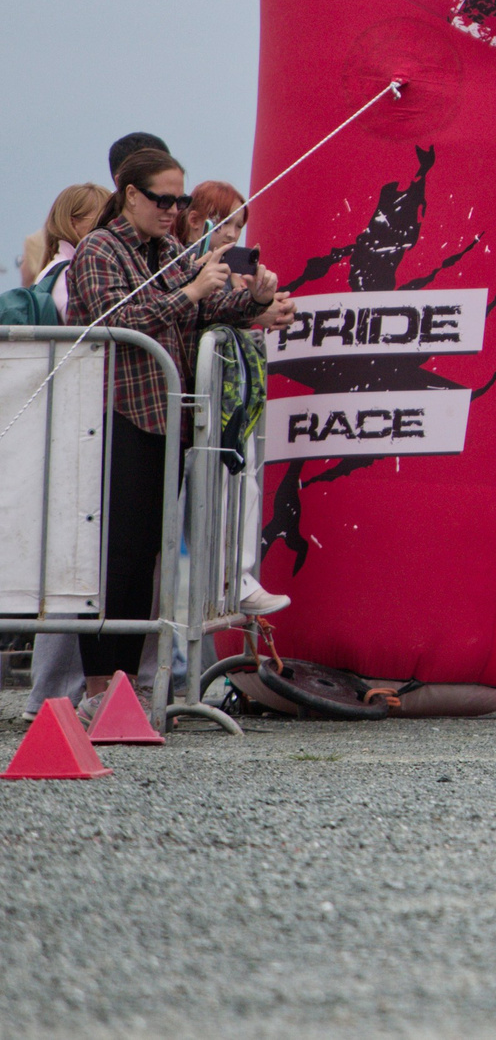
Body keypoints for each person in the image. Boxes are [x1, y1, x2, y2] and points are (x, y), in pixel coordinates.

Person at [65, 147, 290, 716]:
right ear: (131, 194)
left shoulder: (167, 250)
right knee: (114, 559)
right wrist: (192, 292)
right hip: (111, 417)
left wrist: (255, 298)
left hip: (167, 418)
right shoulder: (100, 248)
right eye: (164, 199)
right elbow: (113, 319)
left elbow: (207, 306)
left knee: (147, 559)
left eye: (180, 200)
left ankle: (124, 685)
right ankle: (98, 689)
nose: (174, 210)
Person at [22, 183, 108, 316]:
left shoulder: (58, 268)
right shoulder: (65, 273)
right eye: (101, 222)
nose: (109, 230)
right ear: (73, 223)